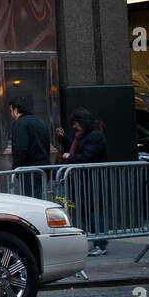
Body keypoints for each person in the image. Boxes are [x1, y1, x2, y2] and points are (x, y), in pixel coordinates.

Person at [57, 107, 109, 255]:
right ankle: (99, 241)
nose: (74, 126)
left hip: (91, 181)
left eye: (75, 123)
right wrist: (64, 139)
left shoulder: (94, 136)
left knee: (93, 211)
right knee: (89, 211)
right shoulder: (84, 136)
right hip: (84, 181)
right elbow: (77, 151)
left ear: (82, 122)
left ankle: (101, 243)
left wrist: (69, 157)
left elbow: (86, 156)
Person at [8, 97, 51, 198]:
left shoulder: (20, 124)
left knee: (32, 200)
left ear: (16, 110)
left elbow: (20, 149)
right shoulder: (40, 122)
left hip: (29, 170)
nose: (11, 114)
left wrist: (17, 168)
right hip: (43, 169)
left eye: (11, 111)